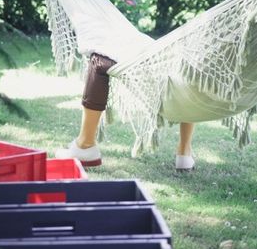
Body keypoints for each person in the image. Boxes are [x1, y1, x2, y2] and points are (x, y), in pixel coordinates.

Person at [57, 53, 196, 171]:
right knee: (190, 67)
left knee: (98, 60)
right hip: (181, 65)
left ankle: (85, 144)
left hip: (145, 54)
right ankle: (184, 152)